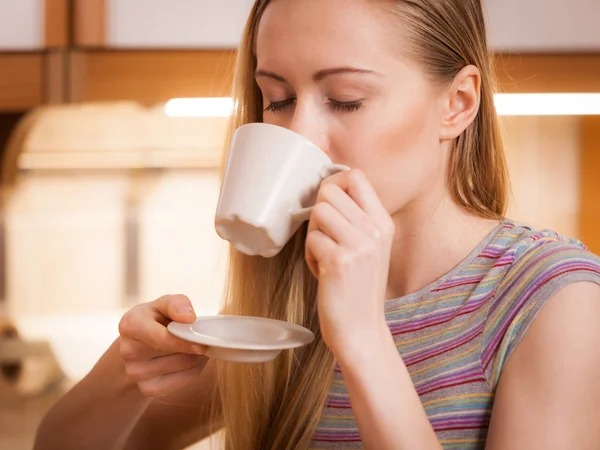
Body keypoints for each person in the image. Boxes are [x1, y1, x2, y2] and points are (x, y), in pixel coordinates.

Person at [34, 0, 600, 449]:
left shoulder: (554, 301)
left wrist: (362, 341)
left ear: (457, 102)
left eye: (346, 100)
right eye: (277, 99)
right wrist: (129, 371)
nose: (299, 134)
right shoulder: (292, 304)